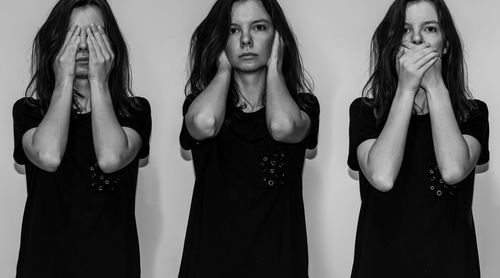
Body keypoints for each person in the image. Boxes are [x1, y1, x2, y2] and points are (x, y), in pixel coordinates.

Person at [348, 0, 489, 277]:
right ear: (391, 45)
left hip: (451, 267)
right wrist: (406, 89)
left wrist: (435, 84)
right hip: (379, 266)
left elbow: (453, 169)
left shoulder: (472, 114)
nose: (416, 39)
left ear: (445, 44)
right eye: (404, 29)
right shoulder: (366, 112)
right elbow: (382, 176)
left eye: (430, 28)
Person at [179, 0, 319, 277]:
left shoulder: (303, 106)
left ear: (277, 37)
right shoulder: (201, 105)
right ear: (219, 40)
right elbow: (204, 124)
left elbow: (281, 126)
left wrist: (276, 66)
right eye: (232, 30)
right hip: (209, 263)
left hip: (279, 263)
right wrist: (222, 70)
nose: (245, 40)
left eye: (259, 27)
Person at [12, 0, 151, 277]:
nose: (85, 47)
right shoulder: (29, 112)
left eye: (95, 34)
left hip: (111, 265)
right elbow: (48, 156)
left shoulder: (135, 111)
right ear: (56, 43)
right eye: (74, 35)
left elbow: (111, 158)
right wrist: (64, 80)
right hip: (44, 265)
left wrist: (99, 82)